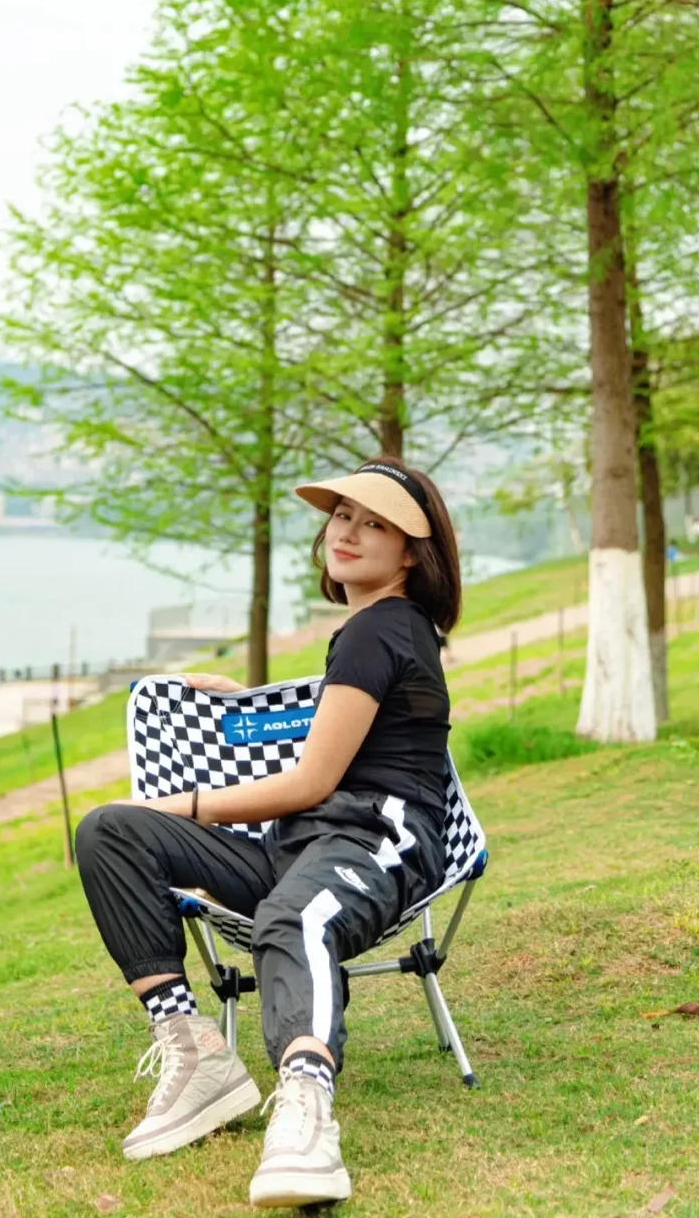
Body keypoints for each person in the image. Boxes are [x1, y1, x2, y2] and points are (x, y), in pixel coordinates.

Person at [76, 456, 462, 1208]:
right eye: (342, 515)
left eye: (374, 524)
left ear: (411, 553)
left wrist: (183, 805)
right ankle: (197, 1053)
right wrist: (247, 706)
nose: (346, 532)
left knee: (293, 916)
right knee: (112, 831)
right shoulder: (374, 631)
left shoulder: (381, 628)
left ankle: (307, 1110)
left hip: (378, 841)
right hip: (302, 846)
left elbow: (313, 780)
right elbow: (346, 722)